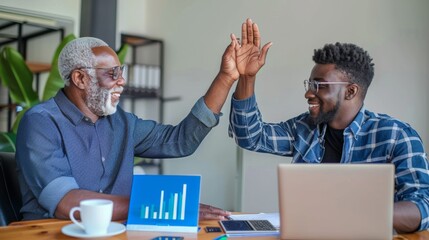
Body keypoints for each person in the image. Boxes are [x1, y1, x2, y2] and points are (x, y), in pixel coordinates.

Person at [228, 18, 429, 233]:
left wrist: (353, 212)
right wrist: (247, 78)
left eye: (319, 85)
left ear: (350, 91)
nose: (308, 93)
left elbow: (422, 206)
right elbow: (250, 136)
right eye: (309, 84)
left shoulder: (396, 136)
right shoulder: (303, 128)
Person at [15, 36, 240, 221]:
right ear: (80, 78)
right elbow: (66, 203)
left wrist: (226, 78)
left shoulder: (122, 122)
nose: (122, 81)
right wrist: (159, 207)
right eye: (112, 73)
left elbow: (180, 141)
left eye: (121, 72)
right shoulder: (40, 122)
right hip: (52, 234)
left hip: (117, 233)